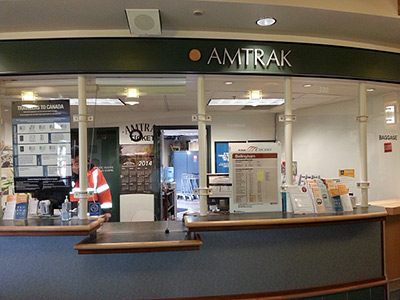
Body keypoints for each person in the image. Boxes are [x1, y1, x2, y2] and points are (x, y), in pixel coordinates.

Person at [69, 146, 112, 221]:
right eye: (74, 160)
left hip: (92, 213)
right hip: (71, 214)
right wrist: (74, 174)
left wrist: (107, 211)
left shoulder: (94, 172)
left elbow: (104, 191)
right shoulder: (66, 174)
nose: (77, 162)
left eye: (78, 158)